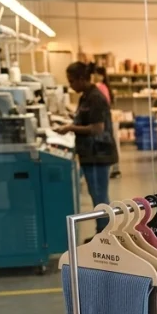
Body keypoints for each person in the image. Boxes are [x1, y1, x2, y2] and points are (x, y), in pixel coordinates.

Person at [56, 61, 118, 232]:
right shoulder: (86, 96)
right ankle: (102, 234)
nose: (70, 85)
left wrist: (70, 128)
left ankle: (105, 236)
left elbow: (98, 128)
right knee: (97, 196)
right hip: (90, 154)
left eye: (72, 81)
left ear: (82, 79)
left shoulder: (95, 97)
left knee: (100, 197)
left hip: (98, 154)